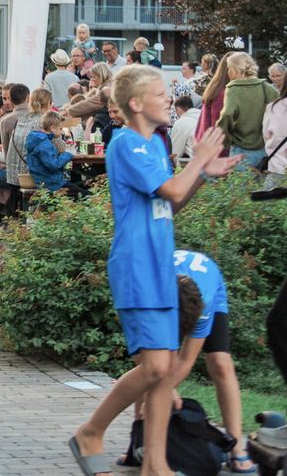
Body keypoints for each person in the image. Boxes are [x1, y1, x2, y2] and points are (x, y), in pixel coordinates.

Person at [67, 66, 241, 476]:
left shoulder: (155, 145)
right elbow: (173, 189)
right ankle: (91, 431)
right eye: (160, 93)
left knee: (162, 372)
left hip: (160, 267)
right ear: (135, 104)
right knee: (157, 368)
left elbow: (171, 202)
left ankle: (156, 465)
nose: (169, 98)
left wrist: (201, 174)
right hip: (137, 267)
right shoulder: (127, 143)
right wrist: (197, 161)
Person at [159, 250, 257, 474]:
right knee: (153, 369)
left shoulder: (203, 304)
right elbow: (149, 364)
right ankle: (138, 442)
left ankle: (236, 448)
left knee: (220, 363)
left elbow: (186, 359)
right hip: (169, 294)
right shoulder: (153, 293)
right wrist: (158, 388)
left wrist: (164, 388)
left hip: (207, 281)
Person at [215, 51, 278, 168]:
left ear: (235, 70)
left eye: (229, 68)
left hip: (240, 151)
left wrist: (225, 139)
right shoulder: (267, 88)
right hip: (265, 150)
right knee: (263, 186)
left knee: (240, 186)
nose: (227, 72)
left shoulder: (233, 89)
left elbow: (227, 114)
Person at [25, 113, 81, 198]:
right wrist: (68, 154)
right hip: (52, 184)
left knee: (78, 188)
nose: (62, 131)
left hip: (46, 181)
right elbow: (53, 165)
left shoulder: (41, 140)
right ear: (53, 128)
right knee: (85, 196)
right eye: (60, 128)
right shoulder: (44, 144)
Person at [168, 96, 200, 164]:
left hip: (198, 165)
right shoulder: (202, 116)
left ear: (178, 109)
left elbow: (175, 153)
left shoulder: (181, 122)